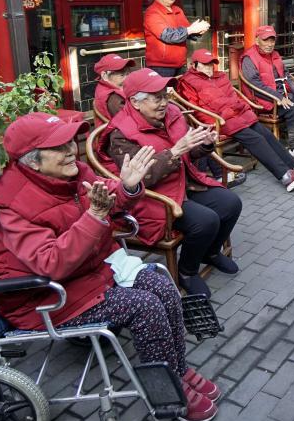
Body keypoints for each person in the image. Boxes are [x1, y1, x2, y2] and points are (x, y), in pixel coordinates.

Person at [0, 112, 219, 421]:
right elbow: (50, 263)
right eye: (58, 147)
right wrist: (95, 216)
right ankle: (165, 394)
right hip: (45, 298)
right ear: (32, 161)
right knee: (144, 307)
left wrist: (128, 187)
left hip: (87, 272)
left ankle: (177, 371)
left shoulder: (71, 173)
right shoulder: (11, 207)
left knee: (161, 282)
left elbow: (105, 197)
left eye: (69, 142)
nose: (71, 151)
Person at [102, 68, 241, 298]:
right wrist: (176, 151)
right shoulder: (120, 134)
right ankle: (187, 272)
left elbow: (189, 152)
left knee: (231, 203)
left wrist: (204, 144)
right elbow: (143, 177)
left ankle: (211, 252)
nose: (164, 102)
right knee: (206, 221)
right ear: (136, 103)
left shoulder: (173, 113)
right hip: (152, 197)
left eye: (165, 95)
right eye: (156, 98)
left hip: (184, 182)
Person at [176, 49, 294, 191]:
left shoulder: (220, 76)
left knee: (266, 134)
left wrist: (240, 108)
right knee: (256, 139)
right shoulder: (188, 81)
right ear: (194, 65)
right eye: (204, 64)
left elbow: (233, 97)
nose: (209, 68)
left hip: (237, 115)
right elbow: (195, 109)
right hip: (219, 120)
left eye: (211, 64)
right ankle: (285, 175)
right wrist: (222, 115)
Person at [240, 25, 294, 159]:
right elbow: (254, 85)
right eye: (265, 40)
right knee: (293, 109)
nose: (270, 44)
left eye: (272, 40)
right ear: (257, 40)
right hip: (264, 99)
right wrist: (278, 97)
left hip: (282, 94)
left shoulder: (275, 55)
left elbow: (286, 74)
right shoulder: (249, 58)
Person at [144, 0, 210, 77]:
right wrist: (190, 30)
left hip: (180, 64)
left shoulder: (177, 10)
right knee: (165, 93)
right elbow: (167, 35)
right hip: (161, 67)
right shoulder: (152, 13)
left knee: (180, 92)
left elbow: (185, 32)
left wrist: (198, 31)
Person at [93, 53, 135, 124]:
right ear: (104, 76)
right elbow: (130, 123)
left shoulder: (105, 87)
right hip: (120, 133)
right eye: (122, 75)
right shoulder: (114, 98)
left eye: (128, 73)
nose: (127, 78)